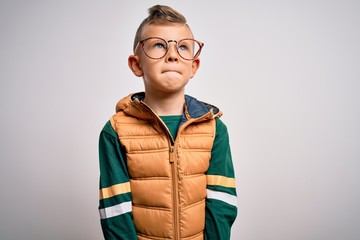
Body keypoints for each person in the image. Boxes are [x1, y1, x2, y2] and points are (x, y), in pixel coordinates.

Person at [98, 5, 237, 240]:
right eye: (159, 45)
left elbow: (221, 201)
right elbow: (115, 211)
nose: (172, 55)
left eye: (183, 47)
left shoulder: (214, 129)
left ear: (193, 66)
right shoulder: (116, 131)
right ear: (136, 64)